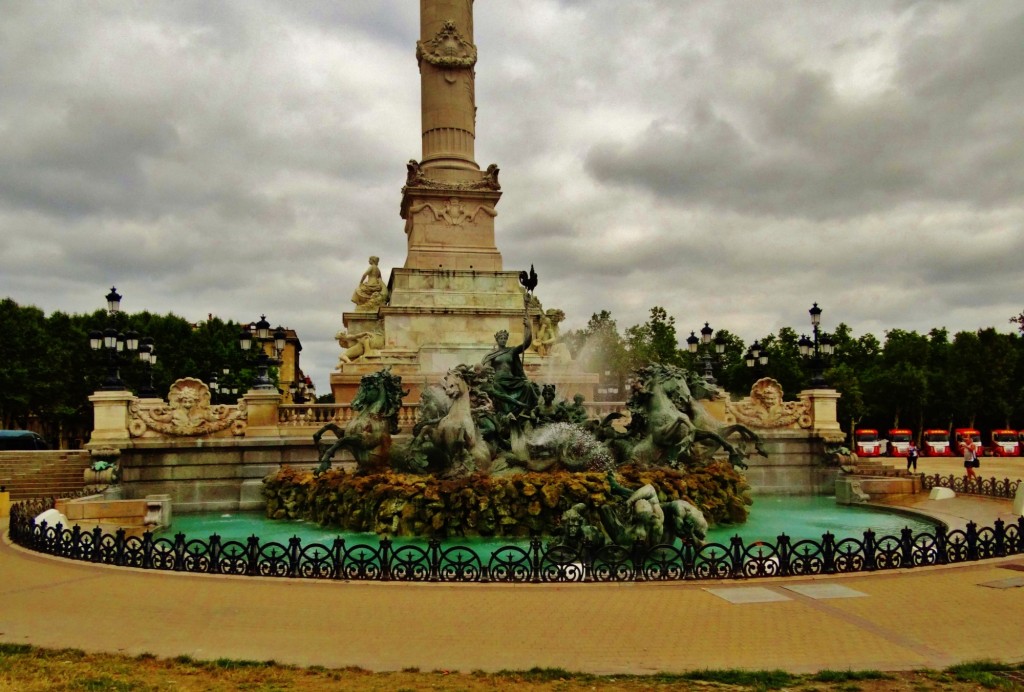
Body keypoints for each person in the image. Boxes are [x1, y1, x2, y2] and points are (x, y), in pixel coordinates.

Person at [480, 317, 537, 417]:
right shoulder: (491, 354)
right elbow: (486, 368)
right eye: (501, 338)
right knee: (495, 387)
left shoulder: (511, 351)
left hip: (512, 380)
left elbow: (526, 343)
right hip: (498, 380)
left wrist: (529, 327)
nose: (503, 340)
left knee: (527, 386)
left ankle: (520, 410)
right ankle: (506, 412)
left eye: (505, 338)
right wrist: (486, 370)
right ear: (497, 340)